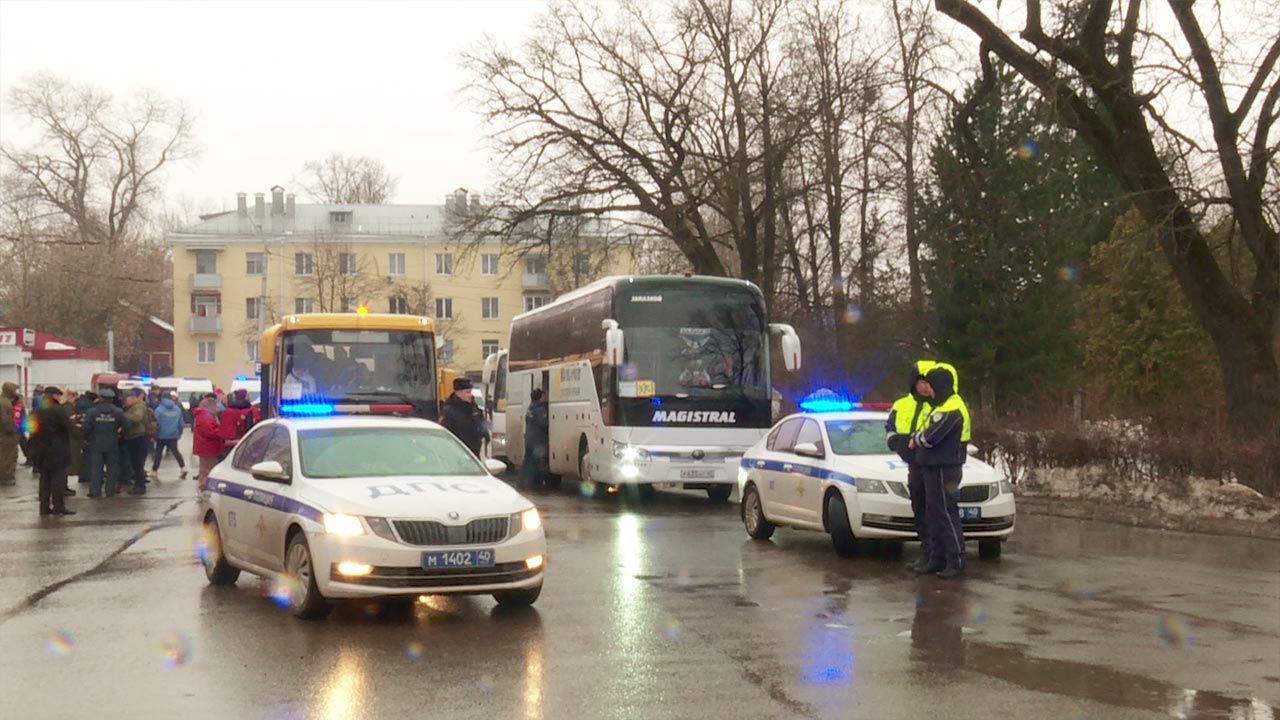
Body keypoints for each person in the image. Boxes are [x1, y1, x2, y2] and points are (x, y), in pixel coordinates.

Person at [911, 365, 972, 579]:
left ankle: (955, 560)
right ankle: (937, 558)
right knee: (934, 514)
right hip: (933, 468)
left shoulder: (951, 409)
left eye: (932, 386)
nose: (930, 391)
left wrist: (915, 440)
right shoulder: (941, 406)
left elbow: (928, 437)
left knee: (946, 514)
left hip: (944, 469)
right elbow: (924, 432)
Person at [886, 360, 937, 572]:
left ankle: (935, 555)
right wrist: (899, 446)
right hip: (913, 466)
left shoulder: (938, 405)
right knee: (920, 510)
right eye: (921, 382)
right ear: (913, 383)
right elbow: (890, 430)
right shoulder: (900, 405)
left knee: (934, 513)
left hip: (932, 466)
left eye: (929, 382)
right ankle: (926, 554)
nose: (925, 386)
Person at [29, 387, 76, 515]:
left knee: (44, 479)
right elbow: (68, 426)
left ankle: (44, 507)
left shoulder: (36, 410)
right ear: (54, 396)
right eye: (59, 395)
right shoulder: (58, 409)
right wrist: (72, 421)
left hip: (40, 449)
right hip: (57, 449)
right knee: (58, 479)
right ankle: (58, 506)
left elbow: (30, 429)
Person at [83, 389, 127, 497]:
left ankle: (95, 491)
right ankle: (110, 490)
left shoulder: (92, 412)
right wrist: (120, 434)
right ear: (112, 399)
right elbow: (126, 426)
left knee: (96, 468)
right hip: (112, 443)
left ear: (100, 398)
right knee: (112, 468)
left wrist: (87, 438)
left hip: (96, 443)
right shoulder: (118, 412)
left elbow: (86, 428)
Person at [440, 378, 485, 455]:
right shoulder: (449, 411)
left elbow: (481, 423)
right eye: (468, 392)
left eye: (471, 392)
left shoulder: (474, 408)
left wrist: (484, 433)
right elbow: (445, 434)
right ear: (458, 393)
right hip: (457, 454)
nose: (471, 395)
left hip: (474, 454)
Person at [121, 389, 152, 495]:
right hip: (135, 436)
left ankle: (140, 486)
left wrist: (123, 416)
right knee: (136, 463)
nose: (124, 402)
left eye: (125, 400)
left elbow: (137, 418)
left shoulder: (138, 407)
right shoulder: (133, 407)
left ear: (133, 398)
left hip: (138, 437)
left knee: (138, 463)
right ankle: (138, 484)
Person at [151, 392, 188, 478]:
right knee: (176, 452)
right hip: (173, 434)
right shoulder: (177, 409)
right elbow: (181, 423)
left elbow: (155, 423)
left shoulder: (159, 410)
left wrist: (154, 435)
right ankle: (183, 467)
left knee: (158, 453)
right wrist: (179, 433)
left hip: (161, 435)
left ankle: (154, 470)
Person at [519, 388, 550, 489]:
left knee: (527, 461)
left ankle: (521, 482)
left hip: (529, 440)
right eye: (543, 396)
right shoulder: (540, 409)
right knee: (536, 463)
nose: (545, 398)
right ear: (540, 398)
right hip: (537, 441)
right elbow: (543, 423)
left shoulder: (530, 408)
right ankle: (533, 483)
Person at [193, 393, 222, 490]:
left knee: (205, 469)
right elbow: (210, 431)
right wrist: (221, 431)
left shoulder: (204, 415)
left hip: (205, 447)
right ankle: (205, 488)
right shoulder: (205, 416)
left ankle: (204, 487)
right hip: (208, 447)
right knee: (208, 469)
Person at [218, 389, 254, 459]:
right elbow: (249, 428)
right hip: (241, 442)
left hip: (226, 443)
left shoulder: (225, 411)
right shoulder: (248, 411)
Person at [0, 382, 19, 485]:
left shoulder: (2, 401)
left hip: (3, 434)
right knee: (8, 456)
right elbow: (6, 420)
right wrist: (14, 431)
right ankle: (6, 476)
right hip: (7, 436)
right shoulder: (6, 403)